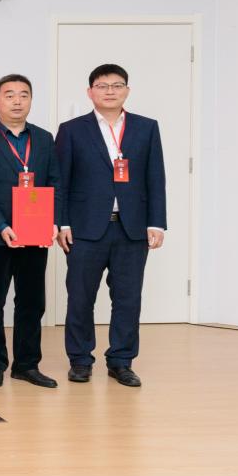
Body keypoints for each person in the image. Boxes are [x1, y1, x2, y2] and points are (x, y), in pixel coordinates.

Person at [56, 63, 166, 388]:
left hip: (132, 228)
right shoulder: (71, 130)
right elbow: (61, 180)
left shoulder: (146, 128)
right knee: (80, 298)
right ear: (90, 92)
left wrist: (157, 222)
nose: (110, 91)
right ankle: (80, 360)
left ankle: (121, 361)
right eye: (102, 86)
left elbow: (155, 178)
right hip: (84, 229)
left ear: (127, 91)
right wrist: (62, 222)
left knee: (128, 299)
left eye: (117, 85)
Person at [0, 74, 60, 389]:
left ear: (31, 100)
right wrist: (1, 225)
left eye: (24, 94)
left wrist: (53, 221)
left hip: (35, 236)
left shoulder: (44, 139)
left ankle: (27, 365)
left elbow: (55, 182)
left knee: (32, 302)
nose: (17, 101)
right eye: (9, 95)